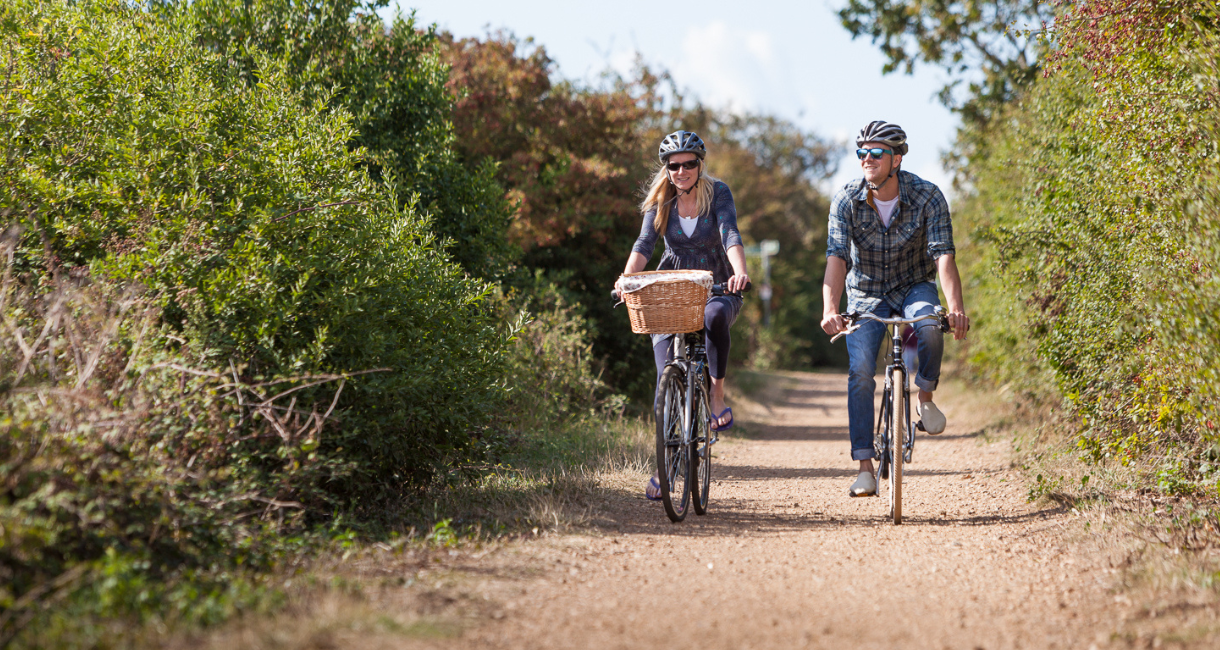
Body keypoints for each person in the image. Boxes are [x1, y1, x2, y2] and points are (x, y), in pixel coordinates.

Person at [820, 120, 970, 497]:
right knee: (860, 372)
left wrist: (955, 307)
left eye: (876, 153)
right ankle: (865, 467)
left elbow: (944, 258)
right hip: (865, 292)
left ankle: (925, 397)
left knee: (930, 325)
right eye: (861, 153)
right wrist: (830, 308)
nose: (866, 159)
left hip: (913, 285)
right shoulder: (845, 199)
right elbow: (837, 259)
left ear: (897, 158)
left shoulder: (928, 196)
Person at [616, 130, 751, 501]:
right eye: (674, 165)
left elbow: (730, 234)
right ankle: (667, 464)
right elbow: (644, 244)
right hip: (673, 287)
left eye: (689, 164)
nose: (681, 171)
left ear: (699, 164)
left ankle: (718, 397)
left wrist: (739, 272)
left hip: (719, 284)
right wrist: (627, 279)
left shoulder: (717, 193)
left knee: (714, 319)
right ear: (667, 169)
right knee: (665, 377)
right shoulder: (660, 200)